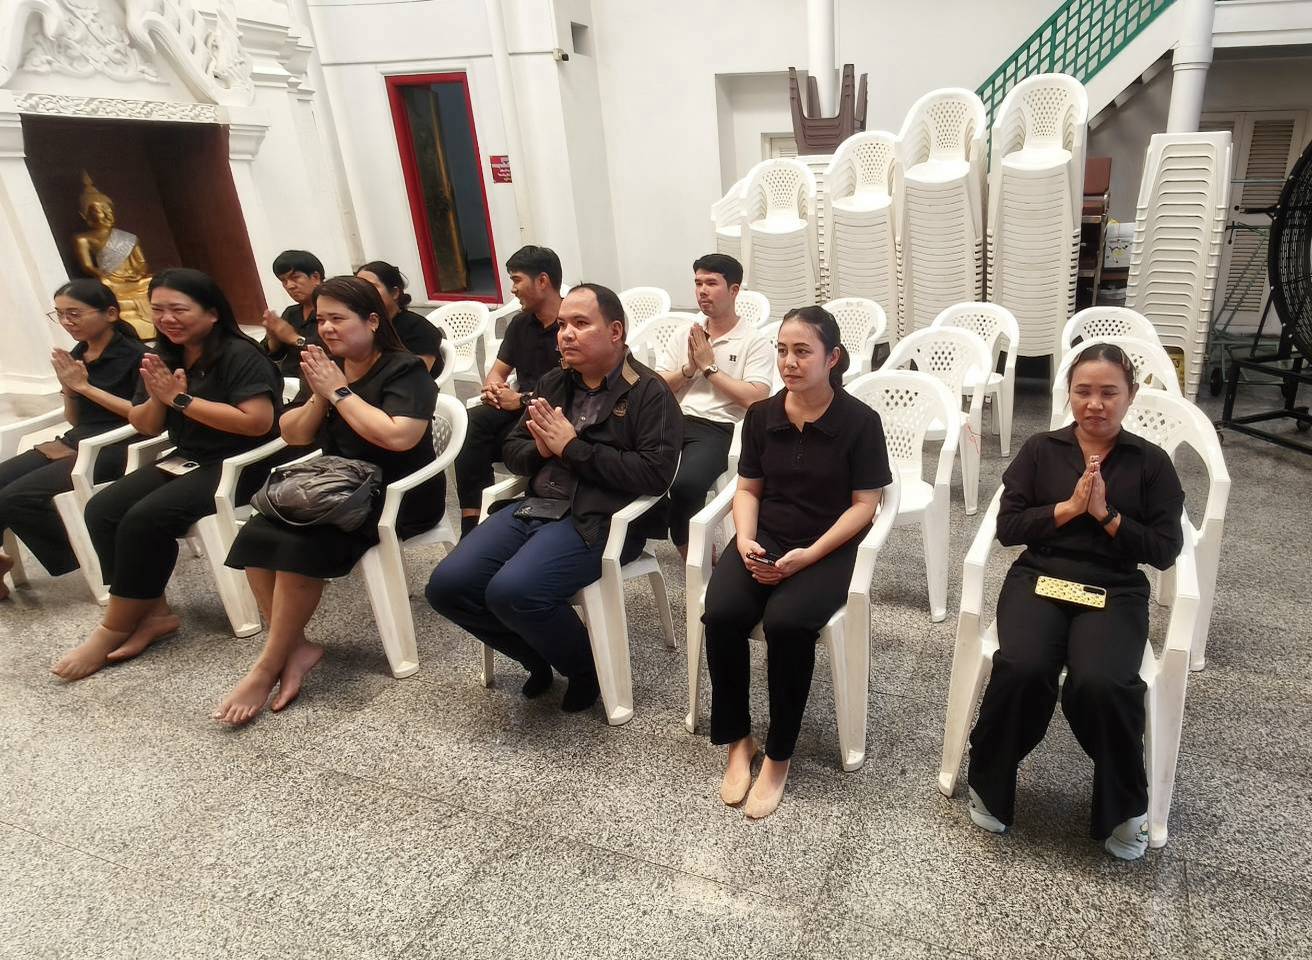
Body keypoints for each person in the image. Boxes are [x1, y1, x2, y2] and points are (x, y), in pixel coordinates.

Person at [965, 342, 1185, 861]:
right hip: (1041, 578)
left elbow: (1164, 550)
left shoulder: (1150, 463)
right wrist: (1067, 509)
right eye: (1084, 391)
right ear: (1069, 393)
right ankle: (990, 778)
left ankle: (1124, 802)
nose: (1095, 404)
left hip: (1113, 587)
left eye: (1109, 392)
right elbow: (1008, 528)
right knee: (1023, 667)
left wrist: (1108, 517)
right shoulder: (1041, 449)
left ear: (1131, 396)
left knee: (1102, 682)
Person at [426, 283, 681, 712]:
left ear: (615, 331)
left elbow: (654, 475)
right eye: (563, 325)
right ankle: (536, 657)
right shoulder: (554, 381)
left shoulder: (649, 392)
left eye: (581, 323)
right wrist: (542, 450)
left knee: (512, 590)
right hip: (536, 506)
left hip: (599, 519)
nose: (566, 334)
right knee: (447, 587)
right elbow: (513, 450)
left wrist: (572, 449)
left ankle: (585, 668)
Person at [217, 276, 441, 724]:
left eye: (338, 318)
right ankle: (295, 648)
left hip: (396, 494)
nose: (327, 328)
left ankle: (266, 667)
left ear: (372, 321)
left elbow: (399, 437)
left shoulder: (404, 370)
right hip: (334, 488)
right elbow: (294, 435)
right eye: (321, 320)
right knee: (257, 535)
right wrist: (321, 396)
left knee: (300, 546)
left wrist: (340, 392)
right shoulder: (326, 367)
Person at [704, 305, 891, 820]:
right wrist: (745, 540)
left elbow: (865, 506)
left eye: (802, 351)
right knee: (722, 614)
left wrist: (809, 555)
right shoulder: (762, 416)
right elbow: (748, 489)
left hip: (827, 547)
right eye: (783, 350)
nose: (789, 362)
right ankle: (737, 739)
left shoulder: (859, 422)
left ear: (832, 358)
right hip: (765, 538)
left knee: (787, 623)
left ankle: (779, 754)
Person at [51, 269, 283, 681]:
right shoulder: (164, 355)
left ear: (212, 313)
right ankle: (154, 613)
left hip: (243, 462)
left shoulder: (239, 354)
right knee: (103, 509)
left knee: (145, 518)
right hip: (188, 456)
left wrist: (180, 399)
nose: (167, 319)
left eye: (178, 309)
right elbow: (145, 424)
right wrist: (160, 398)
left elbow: (257, 422)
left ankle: (112, 628)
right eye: (158, 310)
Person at [0, 280, 147, 599]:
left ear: (110, 314)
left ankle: (89, 555)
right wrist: (69, 388)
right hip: (77, 439)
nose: (67, 322)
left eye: (75, 314)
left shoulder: (139, 357)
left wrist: (83, 387)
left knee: (16, 497)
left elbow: (143, 417)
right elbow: (76, 419)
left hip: (119, 446)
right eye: (60, 314)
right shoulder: (78, 355)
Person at [657, 254, 773, 559]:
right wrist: (688, 370)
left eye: (711, 283)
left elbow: (757, 398)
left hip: (719, 427)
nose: (702, 291)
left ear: (734, 290)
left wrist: (710, 369)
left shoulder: (753, 340)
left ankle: (696, 555)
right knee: (629, 470)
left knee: (685, 485)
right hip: (674, 420)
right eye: (698, 283)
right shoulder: (686, 334)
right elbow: (657, 386)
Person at [454, 245, 564, 538]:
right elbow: (498, 371)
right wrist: (494, 388)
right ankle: (471, 524)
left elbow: (574, 387)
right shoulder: (520, 324)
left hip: (557, 413)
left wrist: (521, 400)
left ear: (542, 281)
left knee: (492, 440)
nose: (512, 289)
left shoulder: (570, 325)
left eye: (516, 280)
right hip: (521, 410)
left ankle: (532, 510)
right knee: (470, 424)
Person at [354, 260, 444, 378]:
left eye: (371, 287)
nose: (364, 293)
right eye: (359, 287)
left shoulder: (419, 329)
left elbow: (416, 378)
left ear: (395, 293)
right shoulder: (361, 325)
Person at [260, 249, 324, 382]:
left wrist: (294, 338)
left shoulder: (334, 309)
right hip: (288, 381)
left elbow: (329, 350)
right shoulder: (291, 313)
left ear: (315, 277)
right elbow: (273, 354)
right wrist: (274, 337)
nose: (289, 286)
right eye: (284, 281)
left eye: (295, 278)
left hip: (319, 380)